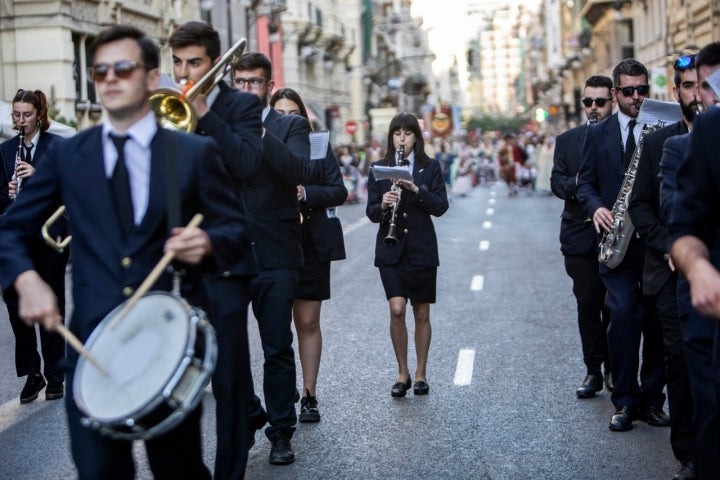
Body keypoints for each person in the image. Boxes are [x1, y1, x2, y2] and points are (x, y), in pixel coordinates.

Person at [0, 24, 249, 479]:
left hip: (164, 344)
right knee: (100, 473)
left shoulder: (193, 152)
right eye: (99, 71)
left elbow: (236, 230)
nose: (109, 78)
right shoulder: (68, 155)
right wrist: (27, 279)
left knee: (179, 471)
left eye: (123, 68)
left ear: (153, 78)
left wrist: (209, 241)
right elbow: (10, 230)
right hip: (92, 347)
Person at [168, 20, 263, 480]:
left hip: (226, 260)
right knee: (177, 382)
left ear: (215, 63)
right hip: (177, 265)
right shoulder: (165, 109)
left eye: (195, 63)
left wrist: (206, 113)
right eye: (178, 63)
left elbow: (246, 165)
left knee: (228, 381)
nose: (185, 72)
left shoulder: (242, 105)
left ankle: (230, 473)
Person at [576, 58, 668, 432]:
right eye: (628, 91)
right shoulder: (597, 134)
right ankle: (625, 401)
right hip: (616, 246)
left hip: (653, 245)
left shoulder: (663, 129)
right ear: (615, 94)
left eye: (642, 90)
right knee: (624, 319)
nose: (636, 97)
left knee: (659, 326)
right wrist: (596, 207)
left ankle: (652, 400)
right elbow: (584, 183)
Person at [231, 52, 311, 465]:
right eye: (240, 83)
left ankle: (281, 430)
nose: (246, 90)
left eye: (254, 83)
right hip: (230, 252)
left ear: (269, 85)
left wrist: (257, 131)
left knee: (277, 347)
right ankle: (248, 413)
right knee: (225, 350)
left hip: (277, 252)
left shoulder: (289, 125)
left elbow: (298, 169)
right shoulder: (217, 127)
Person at [628, 52, 700, 480]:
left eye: (702, 85)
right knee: (682, 362)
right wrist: (670, 247)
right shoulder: (657, 144)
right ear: (676, 93)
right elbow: (640, 206)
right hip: (670, 275)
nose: (696, 94)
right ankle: (689, 455)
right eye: (687, 86)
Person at [269, 87, 347, 423]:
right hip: (274, 242)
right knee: (276, 326)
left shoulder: (317, 145)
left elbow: (339, 190)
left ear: (303, 117)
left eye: (293, 114)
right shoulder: (260, 144)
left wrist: (306, 192)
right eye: (280, 114)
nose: (287, 120)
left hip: (311, 242)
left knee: (307, 322)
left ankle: (309, 394)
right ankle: (281, 392)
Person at [662, 41, 720, 480]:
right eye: (702, 86)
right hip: (707, 309)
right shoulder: (707, 134)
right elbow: (680, 227)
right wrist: (699, 269)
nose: (704, 95)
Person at [366, 112, 449, 397]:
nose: (402, 138)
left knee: (422, 312)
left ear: (416, 137)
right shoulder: (380, 167)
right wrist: (385, 204)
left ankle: (421, 373)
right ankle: (402, 372)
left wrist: (416, 189)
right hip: (391, 249)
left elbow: (440, 206)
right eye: (397, 133)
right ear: (391, 137)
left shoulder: (430, 167)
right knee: (397, 308)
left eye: (408, 133)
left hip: (422, 248)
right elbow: (371, 212)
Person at [0, 88, 69, 404]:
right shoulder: (6, 151)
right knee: (16, 308)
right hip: (16, 240)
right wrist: (8, 188)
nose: (20, 121)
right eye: (16, 115)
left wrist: (40, 176)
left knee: (51, 304)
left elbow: (73, 190)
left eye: (26, 115)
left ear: (39, 115)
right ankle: (32, 372)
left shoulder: (58, 147)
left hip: (49, 237)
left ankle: (56, 375)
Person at [550, 75, 614, 399]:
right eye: (588, 102)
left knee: (616, 306)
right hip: (578, 237)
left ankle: (615, 369)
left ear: (612, 101)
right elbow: (557, 183)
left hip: (617, 235)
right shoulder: (567, 141)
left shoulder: (622, 137)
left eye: (600, 102)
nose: (593, 108)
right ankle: (593, 371)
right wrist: (579, 184)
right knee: (588, 303)